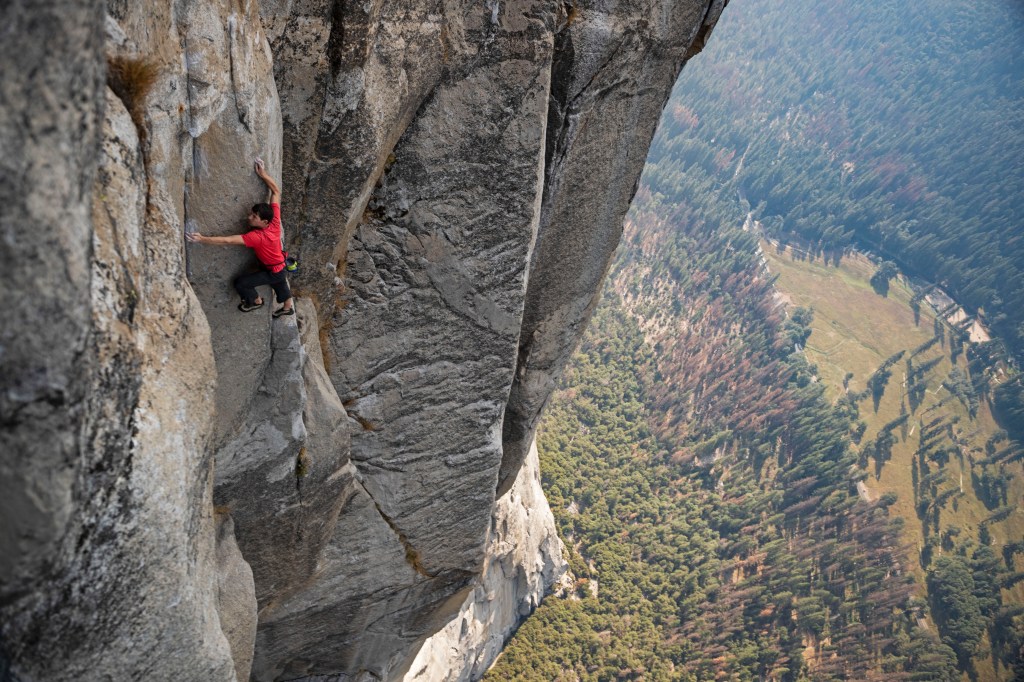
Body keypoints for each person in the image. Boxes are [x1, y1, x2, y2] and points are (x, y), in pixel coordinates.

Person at [187, 160, 295, 317]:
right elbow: (276, 192)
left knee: (242, 283)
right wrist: (263, 174)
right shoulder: (274, 221)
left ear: (264, 222)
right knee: (279, 279)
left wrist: (202, 239)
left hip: (274, 268)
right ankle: (287, 307)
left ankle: (255, 301)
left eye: (254, 216)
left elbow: (228, 241)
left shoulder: (257, 237)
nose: (249, 217)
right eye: (252, 213)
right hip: (278, 264)